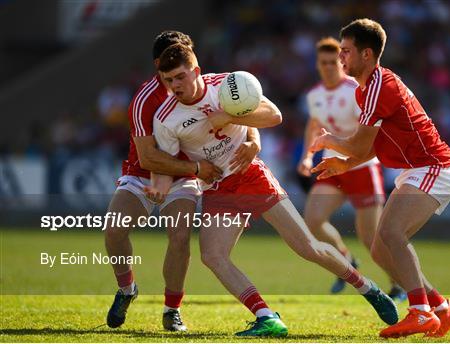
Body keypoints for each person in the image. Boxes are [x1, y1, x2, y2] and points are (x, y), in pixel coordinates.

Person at [145, 42, 398, 338]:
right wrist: (158, 189)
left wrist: (233, 121)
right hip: (218, 186)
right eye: (169, 80)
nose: (175, 85)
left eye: (180, 77)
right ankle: (266, 316)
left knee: (307, 247)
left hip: (251, 176)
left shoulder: (227, 84)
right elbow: (164, 168)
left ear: (196, 72)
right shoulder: (165, 118)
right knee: (213, 255)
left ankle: (366, 287)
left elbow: (273, 115)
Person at [310, 19, 450, 338]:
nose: (341, 58)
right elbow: (369, 148)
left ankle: (420, 312)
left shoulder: (380, 85)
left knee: (392, 234)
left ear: (367, 54)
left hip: (435, 166)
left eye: (346, 51)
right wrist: (344, 162)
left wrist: (329, 141)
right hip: (418, 169)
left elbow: (356, 144)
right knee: (380, 248)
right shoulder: (368, 89)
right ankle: (439, 308)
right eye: (340, 51)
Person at [105, 31, 253, 332]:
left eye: (187, 55)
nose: (182, 66)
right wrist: (196, 167)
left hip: (185, 175)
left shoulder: (208, 84)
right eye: (171, 65)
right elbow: (147, 159)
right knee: (114, 230)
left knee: (180, 236)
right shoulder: (145, 100)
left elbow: (246, 111)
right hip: (144, 174)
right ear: (159, 65)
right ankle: (127, 289)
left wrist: (253, 140)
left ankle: (171, 310)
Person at [298, 37, 406, 300]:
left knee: (371, 238)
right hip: (331, 165)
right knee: (312, 221)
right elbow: (313, 124)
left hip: (363, 166)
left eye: (332, 62)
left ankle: (400, 284)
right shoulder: (315, 95)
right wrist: (307, 157)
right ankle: (347, 260)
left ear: (342, 61)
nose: (327, 67)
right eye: (322, 63)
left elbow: (371, 127)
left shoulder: (355, 89)